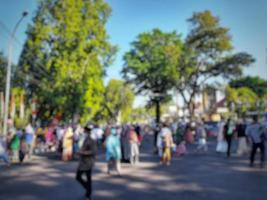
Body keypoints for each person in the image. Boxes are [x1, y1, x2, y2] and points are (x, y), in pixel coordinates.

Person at [76, 123, 97, 200]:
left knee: (88, 178)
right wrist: (80, 152)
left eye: (84, 130)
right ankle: (88, 190)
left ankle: (88, 193)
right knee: (78, 177)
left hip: (88, 162)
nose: (83, 131)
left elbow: (93, 151)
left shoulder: (91, 140)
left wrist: (82, 153)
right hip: (83, 161)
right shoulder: (85, 138)